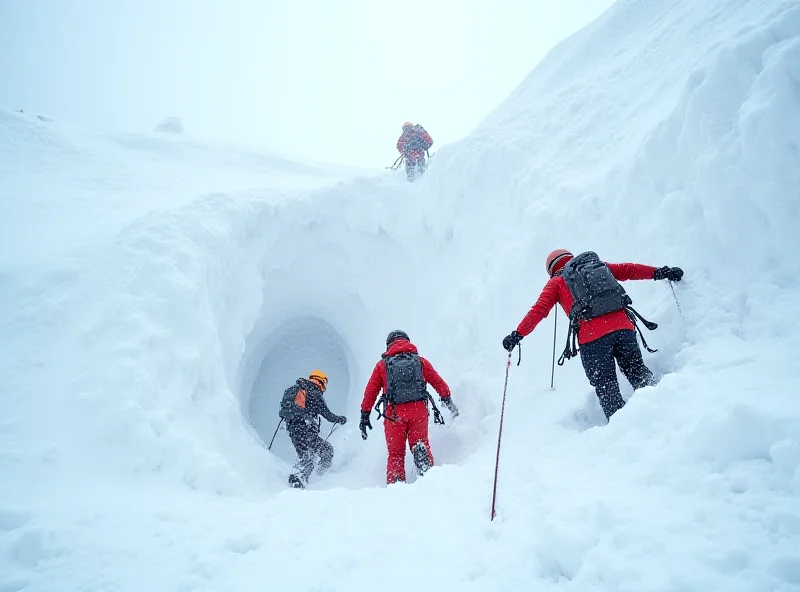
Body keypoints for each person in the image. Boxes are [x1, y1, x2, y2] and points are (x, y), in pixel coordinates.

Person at [502, 250, 684, 421]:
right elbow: (630, 270)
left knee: (607, 386)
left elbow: (539, 310)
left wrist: (518, 334)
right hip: (623, 327)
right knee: (637, 371)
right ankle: (663, 411)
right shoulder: (598, 267)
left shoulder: (556, 282)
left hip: (593, 339)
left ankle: (624, 430)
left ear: (551, 270)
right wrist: (660, 272)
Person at [359, 330, 458, 484]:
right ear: (407, 341)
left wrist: (364, 414)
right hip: (418, 411)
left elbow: (370, 391)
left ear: (388, 345)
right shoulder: (420, 361)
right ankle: (427, 477)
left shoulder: (382, 366)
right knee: (421, 444)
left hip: (394, 415)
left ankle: (396, 488)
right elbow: (438, 382)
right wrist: (448, 400)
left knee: (396, 455)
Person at [279, 370, 347, 489]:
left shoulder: (298, 390)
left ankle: (299, 481)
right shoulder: (314, 393)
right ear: (322, 382)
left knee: (307, 456)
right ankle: (319, 478)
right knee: (327, 451)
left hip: (293, 429)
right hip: (305, 430)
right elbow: (327, 415)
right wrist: (340, 419)